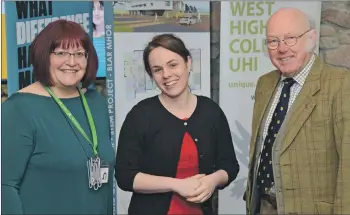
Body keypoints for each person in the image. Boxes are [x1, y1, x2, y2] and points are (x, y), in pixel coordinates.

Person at [115, 33, 240, 215]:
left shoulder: (211, 111)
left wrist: (213, 180)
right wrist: (177, 185)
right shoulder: (140, 115)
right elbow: (125, 176)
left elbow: (229, 165)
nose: (166, 75)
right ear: (151, 75)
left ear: (188, 63)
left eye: (173, 65)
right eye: (157, 69)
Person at [1, 20, 115, 214]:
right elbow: (4, 187)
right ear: (44, 56)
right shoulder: (18, 109)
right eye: (61, 53)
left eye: (79, 54)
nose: (71, 62)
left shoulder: (95, 103)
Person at [244, 8, 350, 215]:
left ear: (311, 38)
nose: (282, 48)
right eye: (273, 41)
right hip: (263, 206)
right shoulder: (264, 84)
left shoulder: (341, 84)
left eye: (290, 38)